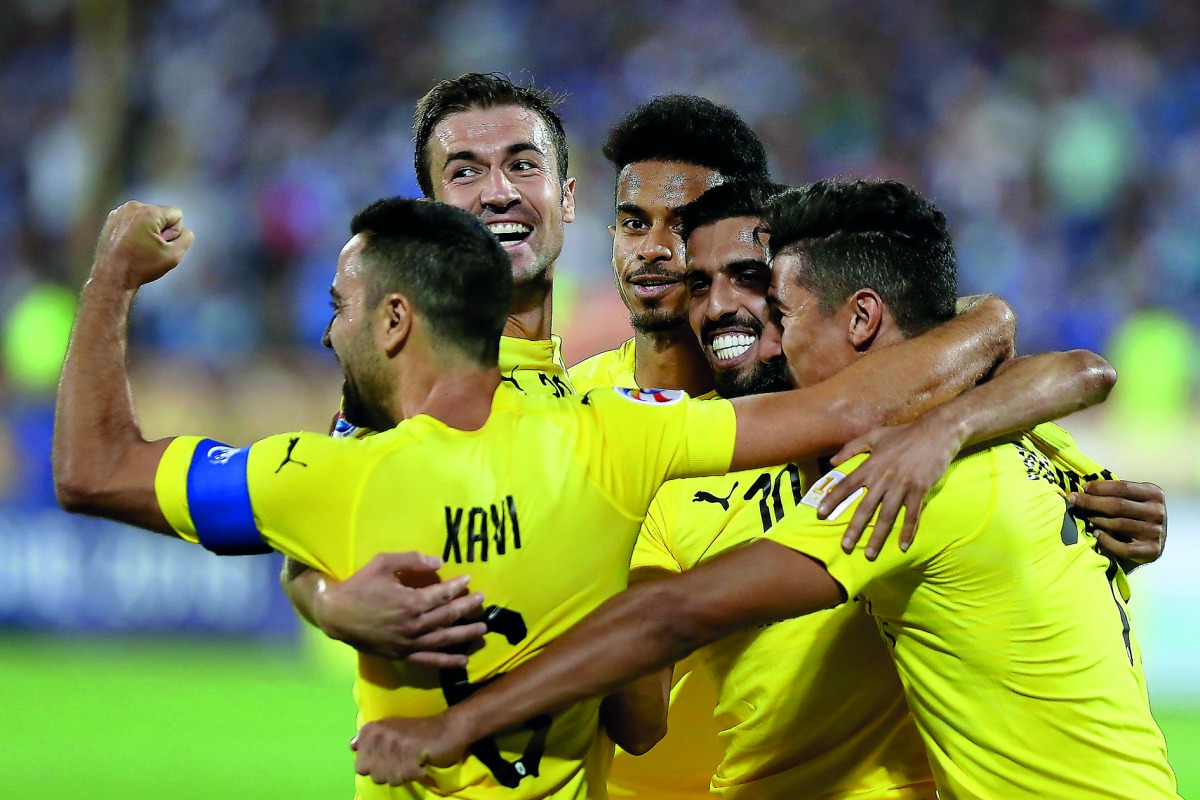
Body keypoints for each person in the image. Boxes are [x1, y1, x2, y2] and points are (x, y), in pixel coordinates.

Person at [54, 196, 1035, 798]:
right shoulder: (615, 432)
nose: (326, 335)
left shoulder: (324, 476)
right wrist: (989, 317)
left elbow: (91, 467)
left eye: (338, 309)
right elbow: (854, 402)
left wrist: (111, 275)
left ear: (397, 320)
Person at [346, 181, 1180, 799]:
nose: (760, 329)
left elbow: (671, 617)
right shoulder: (1030, 435)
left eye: (778, 306)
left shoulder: (903, 484)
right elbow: (1071, 374)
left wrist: (457, 724)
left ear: (858, 320)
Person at [281, 73, 581, 662]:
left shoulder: (606, 392)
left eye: (523, 164)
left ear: (566, 197)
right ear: (434, 214)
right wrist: (330, 605)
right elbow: (306, 548)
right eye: (465, 172)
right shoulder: (404, 386)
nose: (498, 193)